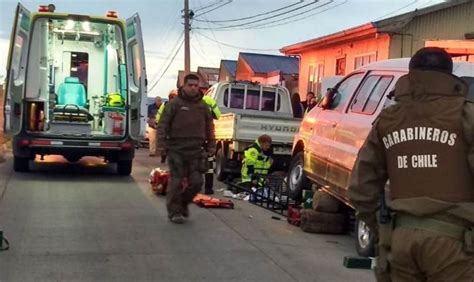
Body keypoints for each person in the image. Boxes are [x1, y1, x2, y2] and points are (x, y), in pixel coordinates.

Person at [348, 47, 474, 282]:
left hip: (400, 241)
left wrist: (383, 233)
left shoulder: (388, 120)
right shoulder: (466, 116)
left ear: (411, 74)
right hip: (456, 245)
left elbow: (360, 189)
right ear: (449, 76)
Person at [157, 74, 215, 224]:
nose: (193, 88)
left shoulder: (203, 107)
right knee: (175, 183)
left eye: (196, 85)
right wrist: (162, 146)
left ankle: (182, 204)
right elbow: (163, 125)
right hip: (176, 149)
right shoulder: (174, 104)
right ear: (183, 86)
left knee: (196, 182)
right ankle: (174, 212)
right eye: (190, 85)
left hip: (196, 150)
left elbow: (210, 127)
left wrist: (211, 145)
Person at [201, 93, 221, 195]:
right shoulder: (209, 99)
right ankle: (208, 189)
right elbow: (218, 115)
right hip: (207, 138)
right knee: (209, 165)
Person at [156, 89, 178, 163]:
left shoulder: (165, 104)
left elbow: (159, 113)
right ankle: (165, 154)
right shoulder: (166, 104)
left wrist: (157, 121)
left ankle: (165, 154)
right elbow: (160, 113)